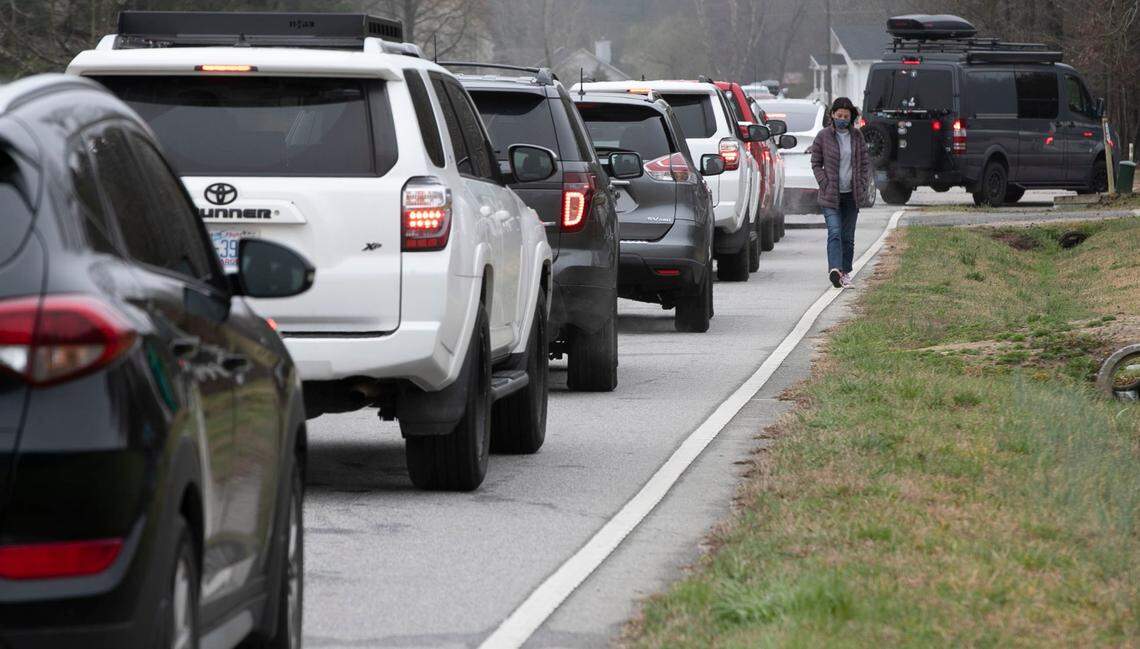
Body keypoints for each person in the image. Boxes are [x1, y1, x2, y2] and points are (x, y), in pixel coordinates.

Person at [809, 97, 871, 288]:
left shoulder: (857, 137)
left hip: (852, 195)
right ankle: (835, 269)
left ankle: (845, 272)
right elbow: (816, 163)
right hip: (830, 195)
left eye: (846, 116)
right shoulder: (823, 136)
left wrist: (861, 184)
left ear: (851, 117)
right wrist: (824, 182)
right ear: (832, 115)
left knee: (848, 237)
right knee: (834, 232)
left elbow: (864, 163)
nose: (842, 118)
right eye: (839, 115)